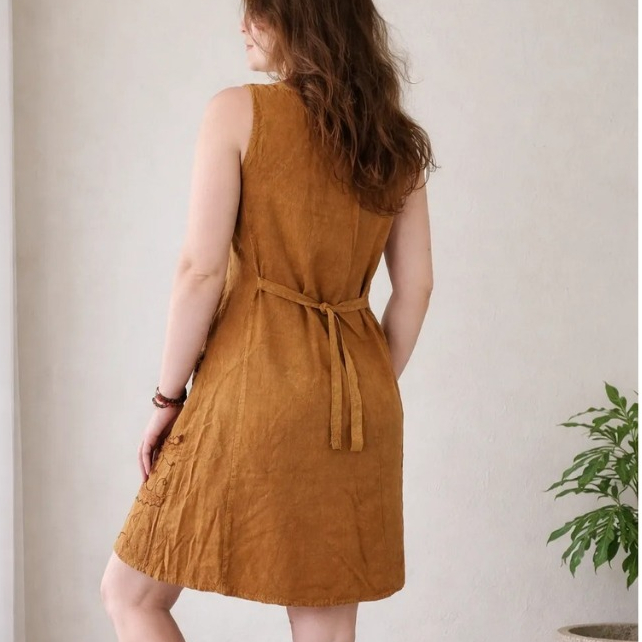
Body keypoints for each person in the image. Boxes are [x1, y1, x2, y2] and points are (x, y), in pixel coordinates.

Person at [100, 1, 435, 640]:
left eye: (257, 12)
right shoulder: (397, 142)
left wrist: (167, 398)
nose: (242, 26)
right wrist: (361, 381)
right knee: (324, 620)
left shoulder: (238, 111)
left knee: (131, 594)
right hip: (356, 406)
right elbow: (415, 288)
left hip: (251, 386)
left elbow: (199, 271)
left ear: (302, 20)